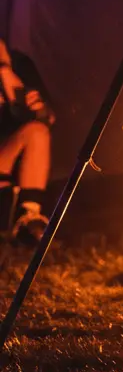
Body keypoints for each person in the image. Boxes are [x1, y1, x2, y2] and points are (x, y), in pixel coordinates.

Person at [0, 38, 54, 244]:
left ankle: (29, 217)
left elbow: (47, 118)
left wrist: (5, 69)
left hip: (7, 156)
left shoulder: (20, 63)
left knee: (37, 132)